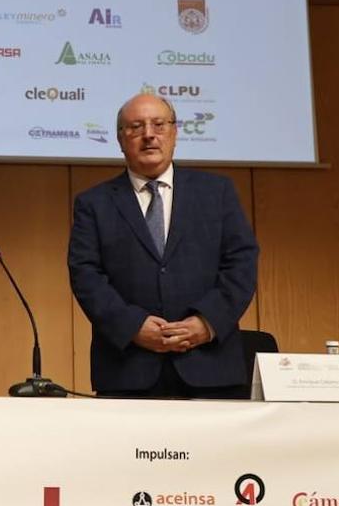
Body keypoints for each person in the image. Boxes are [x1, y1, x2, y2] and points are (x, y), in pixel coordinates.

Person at [67, 93, 258, 398]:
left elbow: (242, 264)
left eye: (158, 124)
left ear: (174, 132)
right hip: (127, 370)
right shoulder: (94, 203)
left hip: (211, 369)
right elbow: (86, 275)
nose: (148, 135)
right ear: (120, 139)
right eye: (135, 127)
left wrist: (206, 322)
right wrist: (132, 327)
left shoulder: (217, 192)